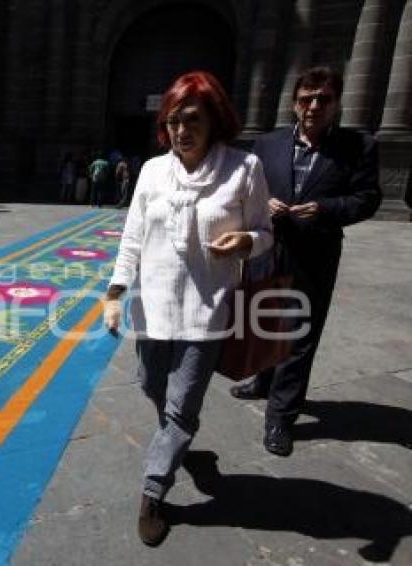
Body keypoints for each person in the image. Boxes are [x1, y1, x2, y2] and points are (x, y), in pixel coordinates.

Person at [103, 71, 273, 547]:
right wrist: (114, 293)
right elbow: (133, 236)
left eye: (193, 119)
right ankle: (176, 440)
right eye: (174, 121)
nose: (182, 130)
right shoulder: (153, 171)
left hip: (207, 314)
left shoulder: (244, 169)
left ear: (215, 120)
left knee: (181, 409)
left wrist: (247, 241)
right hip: (153, 310)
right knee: (150, 384)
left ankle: (153, 490)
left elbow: (265, 233)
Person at [229, 66, 382, 457]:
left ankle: (280, 416)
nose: (313, 106)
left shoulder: (358, 146)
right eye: (305, 99)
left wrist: (327, 209)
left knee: (298, 337)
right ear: (294, 103)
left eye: (323, 99)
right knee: (261, 321)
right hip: (268, 248)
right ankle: (262, 381)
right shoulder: (267, 144)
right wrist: (263, 203)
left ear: (336, 103)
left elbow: (368, 198)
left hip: (315, 255)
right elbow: (245, 190)